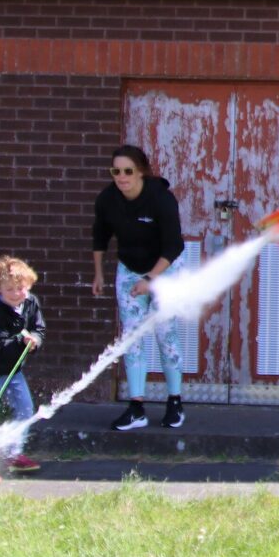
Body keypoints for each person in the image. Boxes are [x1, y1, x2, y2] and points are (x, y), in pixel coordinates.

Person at [91, 144, 186, 431]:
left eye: (128, 171)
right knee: (131, 337)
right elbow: (100, 236)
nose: (122, 177)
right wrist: (98, 274)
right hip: (130, 269)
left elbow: (174, 245)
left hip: (165, 269)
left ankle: (175, 403)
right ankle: (136, 408)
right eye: (116, 171)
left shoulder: (160, 199)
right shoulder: (108, 199)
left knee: (165, 333)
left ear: (141, 172)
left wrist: (151, 279)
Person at [0, 255, 46, 485]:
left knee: (25, 409)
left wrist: (35, 339)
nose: (16, 294)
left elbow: (39, 329)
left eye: (20, 288)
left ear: (29, 285)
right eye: (9, 289)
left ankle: (13, 453)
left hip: (13, 370)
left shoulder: (31, 303)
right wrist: (20, 341)